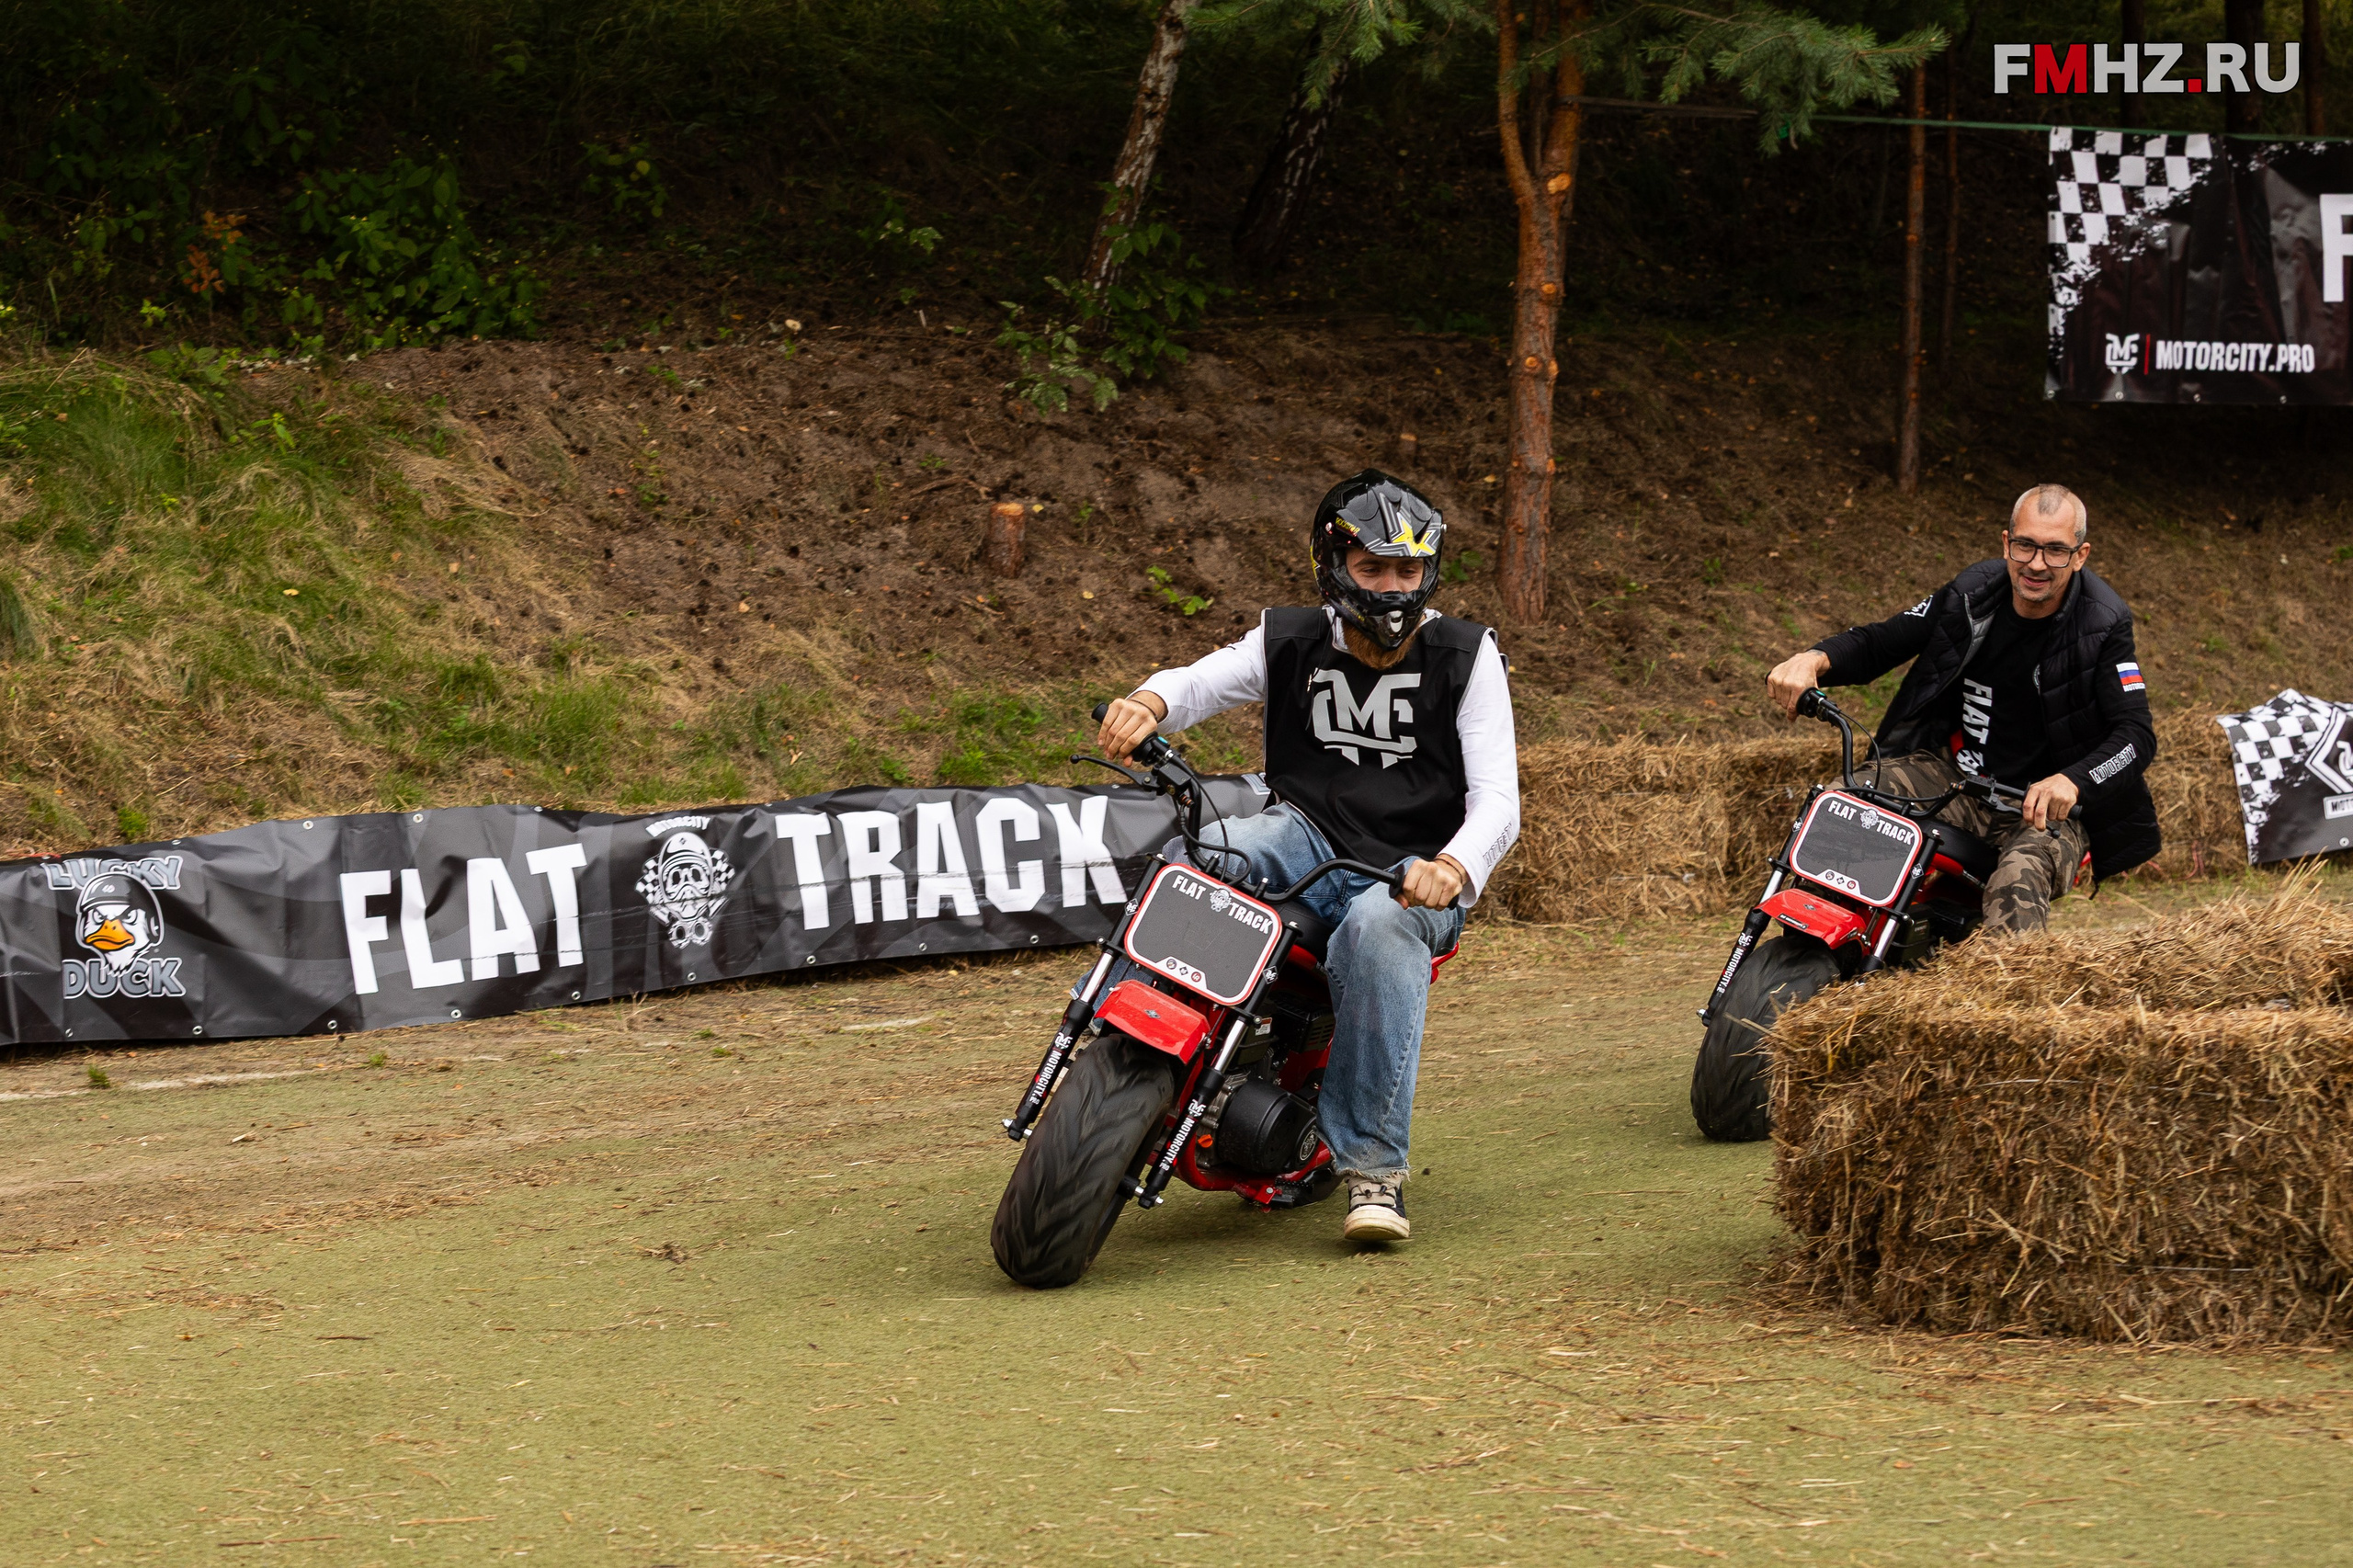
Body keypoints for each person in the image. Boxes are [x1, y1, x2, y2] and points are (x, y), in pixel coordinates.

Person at [1096, 471, 1519, 1244]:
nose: (1392, 587)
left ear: (1429, 573)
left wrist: (1452, 868)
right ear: (1334, 566)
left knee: (1376, 928)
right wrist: (1149, 702)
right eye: (1373, 569)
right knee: (1216, 853)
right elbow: (1197, 684)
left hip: (1412, 873)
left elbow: (1499, 801)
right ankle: (1125, 1050)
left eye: (1407, 570)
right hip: (1307, 835)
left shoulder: (1466, 656)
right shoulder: (1289, 637)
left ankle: (1375, 1176)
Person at [1764, 483, 2159, 931]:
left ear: (2080, 555)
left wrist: (2073, 781)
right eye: (2026, 545)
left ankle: (2008, 995)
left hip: (2045, 812)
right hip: (1955, 780)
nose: (2037, 564)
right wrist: (1812, 659)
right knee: (1847, 803)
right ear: (2006, 543)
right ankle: (1832, 940)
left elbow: (2136, 736)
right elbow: (1881, 641)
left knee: (2017, 879)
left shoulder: (2104, 622)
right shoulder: (1972, 593)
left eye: (2055, 551)